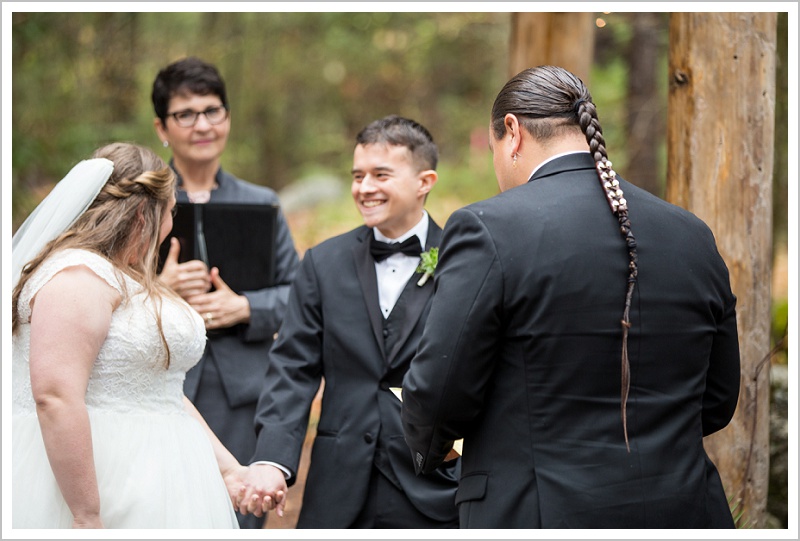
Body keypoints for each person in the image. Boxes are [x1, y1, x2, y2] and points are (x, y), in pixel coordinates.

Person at [401, 65, 741, 528]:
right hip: (682, 509)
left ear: (512, 132)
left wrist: (432, 444)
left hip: (542, 514)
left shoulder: (489, 227)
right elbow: (718, 397)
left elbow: (440, 392)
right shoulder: (692, 233)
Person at [237, 115, 460, 528]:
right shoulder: (323, 263)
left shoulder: (463, 261)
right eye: (358, 176)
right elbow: (293, 367)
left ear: (424, 181)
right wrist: (272, 458)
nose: (364, 188)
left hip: (434, 486)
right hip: (336, 489)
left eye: (381, 174)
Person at [11, 142, 245, 528]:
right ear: (143, 213)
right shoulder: (77, 276)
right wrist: (87, 515)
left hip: (161, 479)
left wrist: (230, 470)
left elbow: (159, 390)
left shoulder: (120, 276)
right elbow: (55, 396)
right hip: (100, 481)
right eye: (170, 212)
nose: (170, 225)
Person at [152, 56, 300, 529]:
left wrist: (245, 306)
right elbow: (101, 290)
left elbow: (299, 297)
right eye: (186, 114)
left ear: (228, 118)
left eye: (213, 111)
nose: (202, 125)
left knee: (239, 514)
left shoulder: (262, 203)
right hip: (159, 387)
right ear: (162, 128)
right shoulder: (138, 202)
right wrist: (158, 288)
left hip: (242, 394)